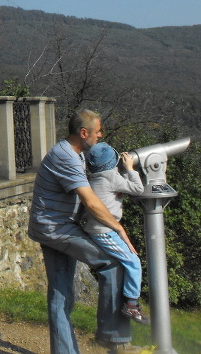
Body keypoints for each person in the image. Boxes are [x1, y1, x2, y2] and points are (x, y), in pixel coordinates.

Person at [28, 109, 140, 354]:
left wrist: (110, 192)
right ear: (83, 133)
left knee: (61, 294)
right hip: (56, 229)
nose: (100, 135)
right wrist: (118, 226)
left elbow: (92, 189)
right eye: (97, 131)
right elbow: (90, 202)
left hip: (50, 226)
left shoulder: (73, 154)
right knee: (112, 263)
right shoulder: (67, 157)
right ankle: (112, 337)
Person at [83, 143, 150, 325]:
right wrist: (130, 169)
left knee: (127, 261)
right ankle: (131, 304)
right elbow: (138, 189)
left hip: (97, 229)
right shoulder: (112, 177)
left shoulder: (93, 178)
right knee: (134, 262)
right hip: (104, 232)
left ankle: (131, 303)